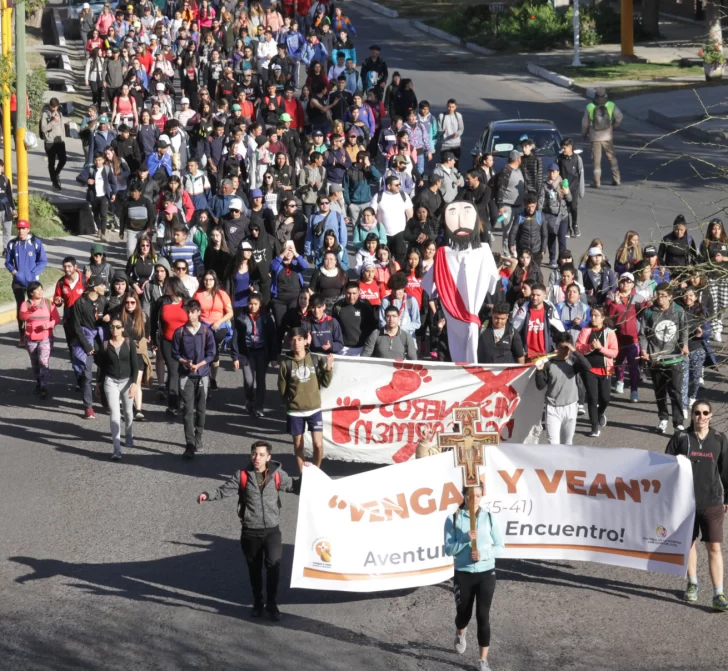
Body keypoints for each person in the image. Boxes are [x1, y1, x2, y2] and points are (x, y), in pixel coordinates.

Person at [196, 440, 300, 621]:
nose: (256, 458)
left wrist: (308, 476)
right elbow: (223, 491)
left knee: (273, 565)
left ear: (269, 457)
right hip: (250, 531)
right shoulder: (242, 475)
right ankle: (258, 602)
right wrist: (207, 495)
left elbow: (293, 486)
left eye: (260, 455)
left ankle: (272, 603)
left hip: (272, 530)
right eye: (254, 454)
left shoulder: (277, 475)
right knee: (255, 569)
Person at [665, 400, 728, 612]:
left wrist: (727, 498)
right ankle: (692, 583)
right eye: (697, 413)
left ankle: (718, 593)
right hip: (685, 502)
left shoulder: (719, 439)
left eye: (705, 413)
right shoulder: (681, 438)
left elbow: (725, 470)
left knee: (714, 546)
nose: (701, 417)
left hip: (711, 502)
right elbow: (665, 468)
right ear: (692, 416)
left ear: (710, 415)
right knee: (688, 543)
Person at [444, 485, 504, 671]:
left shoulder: (489, 517)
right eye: (471, 495)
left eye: (479, 495)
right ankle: (460, 632)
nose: (475, 498)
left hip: (486, 573)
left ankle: (482, 660)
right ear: (464, 496)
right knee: (464, 614)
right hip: (463, 573)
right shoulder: (453, 518)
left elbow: (500, 545)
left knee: (483, 616)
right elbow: (448, 549)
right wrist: (464, 539)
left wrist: (484, 554)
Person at [278, 327, 333, 472]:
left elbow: (325, 383)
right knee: (298, 446)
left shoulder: (315, 359)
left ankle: (316, 472)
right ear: (290, 342)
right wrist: (290, 404)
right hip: (295, 412)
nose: (297, 343)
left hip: (314, 409)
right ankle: (303, 477)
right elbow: (282, 389)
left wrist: (328, 368)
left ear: (306, 340)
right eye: (294, 340)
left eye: (300, 340)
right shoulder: (286, 364)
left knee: (318, 445)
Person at [639, 283, 689, 434]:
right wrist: (643, 349)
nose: (660, 298)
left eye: (663, 295)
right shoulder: (648, 312)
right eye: (658, 295)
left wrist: (685, 345)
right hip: (656, 358)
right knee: (659, 391)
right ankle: (663, 418)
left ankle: (678, 422)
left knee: (676, 391)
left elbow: (683, 330)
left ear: (670, 296)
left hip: (674, 358)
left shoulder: (679, 311)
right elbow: (643, 334)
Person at [172, 299, 216, 459]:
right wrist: (186, 362)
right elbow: (175, 353)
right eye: (188, 312)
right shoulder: (180, 332)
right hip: (186, 375)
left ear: (198, 312)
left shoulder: (206, 331)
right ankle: (189, 444)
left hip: (202, 375)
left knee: (201, 410)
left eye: (193, 311)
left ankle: (199, 437)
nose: (190, 315)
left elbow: (212, 353)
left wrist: (200, 365)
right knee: (188, 410)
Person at [534, 333, 591, 445]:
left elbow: (588, 366)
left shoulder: (573, 362)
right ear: (556, 347)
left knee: (568, 442)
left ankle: (566, 463)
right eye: (562, 347)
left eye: (567, 348)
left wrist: (574, 351)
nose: (565, 350)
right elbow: (540, 385)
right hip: (553, 408)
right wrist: (539, 371)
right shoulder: (549, 363)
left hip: (571, 407)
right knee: (553, 443)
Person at [98, 317, 138, 460]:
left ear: (122, 329)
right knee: (114, 414)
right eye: (112, 327)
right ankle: (116, 449)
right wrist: (98, 384)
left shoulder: (129, 343)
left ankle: (129, 434)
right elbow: (101, 367)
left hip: (127, 382)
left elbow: (135, 365)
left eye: (117, 327)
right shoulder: (105, 344)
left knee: (127, 412)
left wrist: (134, 384)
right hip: (110, 381)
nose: (114, 330)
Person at [232, 292, 278, 417]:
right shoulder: (241, 318)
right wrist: (235, 356)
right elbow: (236, 338)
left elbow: (272, 338)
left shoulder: (266, 318)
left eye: (255, 304)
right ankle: (249, 401)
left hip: (262, 352)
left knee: (260, 380)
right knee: (248, 380)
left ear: (260, 304)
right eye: (250, 304)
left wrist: (274, 357)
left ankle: (259, 406)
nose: (252, 306)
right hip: (247, 353)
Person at [576, 306, 619, 438]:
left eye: (596, 315)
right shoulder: (586, 330)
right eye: (592, 315)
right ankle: (594, 426)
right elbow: (578, 347)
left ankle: (600, 413)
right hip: (589, 369)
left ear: (603, 318)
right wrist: (589, 347)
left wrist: (600, 348)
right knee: (592, 398)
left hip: (605, 369)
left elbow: (614, 352)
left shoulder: (610, 332)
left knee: (605, 398)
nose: (593, 318)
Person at [5, 219, 48, 345]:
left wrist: (33, 273)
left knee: (33, 307)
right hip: (18, 282)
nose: (21, 231)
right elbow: (7, 262)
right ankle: (22, 335)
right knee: (21, 308)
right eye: (18, 228)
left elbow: (43, 261)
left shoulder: (35, 242)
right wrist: (14, 272)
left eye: (23, 228)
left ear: (28, 229)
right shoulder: (12, 244)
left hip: (32, 282)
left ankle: (33, 332)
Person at [71, 277, 108, 419]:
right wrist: (86, 346)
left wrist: (108, 317)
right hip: (86, 341)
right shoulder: (80, 303)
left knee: (105, 368)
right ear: (93, 287)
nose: (104, 287)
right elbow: (76, 326)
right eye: (102, 285)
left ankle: (103, 394)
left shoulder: (103, 301)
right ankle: (88, 407)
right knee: (86, 376)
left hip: (100, 340)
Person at [19, 281, 60, 399]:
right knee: (35, 363)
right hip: (31, 338)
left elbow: (56, 319)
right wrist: (32, 310)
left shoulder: (48, 303)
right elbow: (22, 317)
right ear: (31, 293)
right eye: (37, 290)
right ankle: (38, 382)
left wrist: (48, 325)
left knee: (43, 361)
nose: (41, 291)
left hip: (46, 337)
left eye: (42, 289)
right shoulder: (25, 304)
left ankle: (44, 386)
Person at [581, 87, 622, 188]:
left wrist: (584, 134)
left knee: (596, 160)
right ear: (605, 95)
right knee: (611, 157)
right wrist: (613, 126)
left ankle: (597, 181)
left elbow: (585, 124)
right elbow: (619, 117)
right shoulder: (611, 105)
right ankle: (616, 179)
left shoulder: (589, 106)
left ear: (595, 95)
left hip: (595, 137)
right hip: (607, 136)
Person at [512, 282, 564, 360]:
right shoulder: (524, 310)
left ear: (544, 296)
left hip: (545, 355)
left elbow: (559, 330)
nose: (535, 298)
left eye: (538, 295)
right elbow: (514, 331)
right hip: (527, 355)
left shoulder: (549, 310)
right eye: (533, 295)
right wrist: (520, 349)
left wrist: (555, 347)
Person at [369, 175, 413, 267]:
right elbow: (371, 214)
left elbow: (410, 215)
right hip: (383, 235)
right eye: (396, 185)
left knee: (400, 261)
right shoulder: (378, 197)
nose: (399, 186)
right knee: (382, 260)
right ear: (388, 186)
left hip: (400, 233)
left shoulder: (404, 196)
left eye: (400, 184)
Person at [496, 150, 524, 258]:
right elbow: (501, 189)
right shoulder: (506, 171)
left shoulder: (518, 170)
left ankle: (515, 250)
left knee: (517, 230)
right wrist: (501, 206)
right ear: (517, 159)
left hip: (519, 206)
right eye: (520, 158)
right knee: (507, 230)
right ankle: (507, 253)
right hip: (507, 206)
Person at [557, 138, 584, 238]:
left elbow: (581, 174)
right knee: (566, 208)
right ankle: (567, 228)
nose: (563, 150)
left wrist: (581, 191)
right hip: (564, 188)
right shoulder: (559, 159)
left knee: (573, 207)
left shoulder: (577, 159)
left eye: (564, 148)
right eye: (562, 148)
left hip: (574, 188)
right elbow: (557, 173)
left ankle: (575, 224)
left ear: (570, 147)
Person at [40, 98, 67, 190]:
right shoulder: (45, 114)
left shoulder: (59, 113)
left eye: (56, 107)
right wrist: (52, 122)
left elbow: (62, 127)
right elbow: (43, 129)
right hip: (50, 142)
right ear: (50, 105)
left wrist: (63, 138)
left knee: (63, 160)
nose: (55, 108)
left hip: (59, 141)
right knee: (51, 163)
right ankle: (54, 182)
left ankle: (56, 173)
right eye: (53, 107)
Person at [438, 98, 464, 167]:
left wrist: (457, 134)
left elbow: (461, 128)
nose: (450, 109)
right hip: (445, 146)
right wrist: (443, 132)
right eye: (449, 107)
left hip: (456, 145)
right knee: (445, 164)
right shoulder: (442, 116)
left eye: (452, 107)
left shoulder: (458, 116)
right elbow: (438, 130)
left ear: (455, 107)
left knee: (455, 165)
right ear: (447, 106)